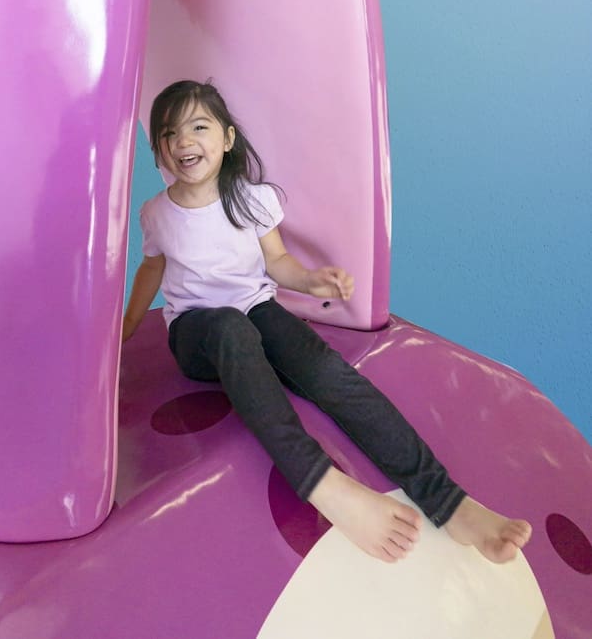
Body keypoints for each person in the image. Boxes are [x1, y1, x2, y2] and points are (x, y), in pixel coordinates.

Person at [122, 79, 532, 564]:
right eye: (169, 134)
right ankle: (323, 484)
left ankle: (448, 500)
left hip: (256, 310)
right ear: (160, 152)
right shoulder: (157, 214)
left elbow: (277, 261)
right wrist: (120, 335)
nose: (184, 141)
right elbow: (152, 267)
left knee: (325, 370)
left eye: (198, 126)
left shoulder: (252, 199)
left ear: (227, 138)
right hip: (199, 332)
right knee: (232, 328)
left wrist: (312, 282)